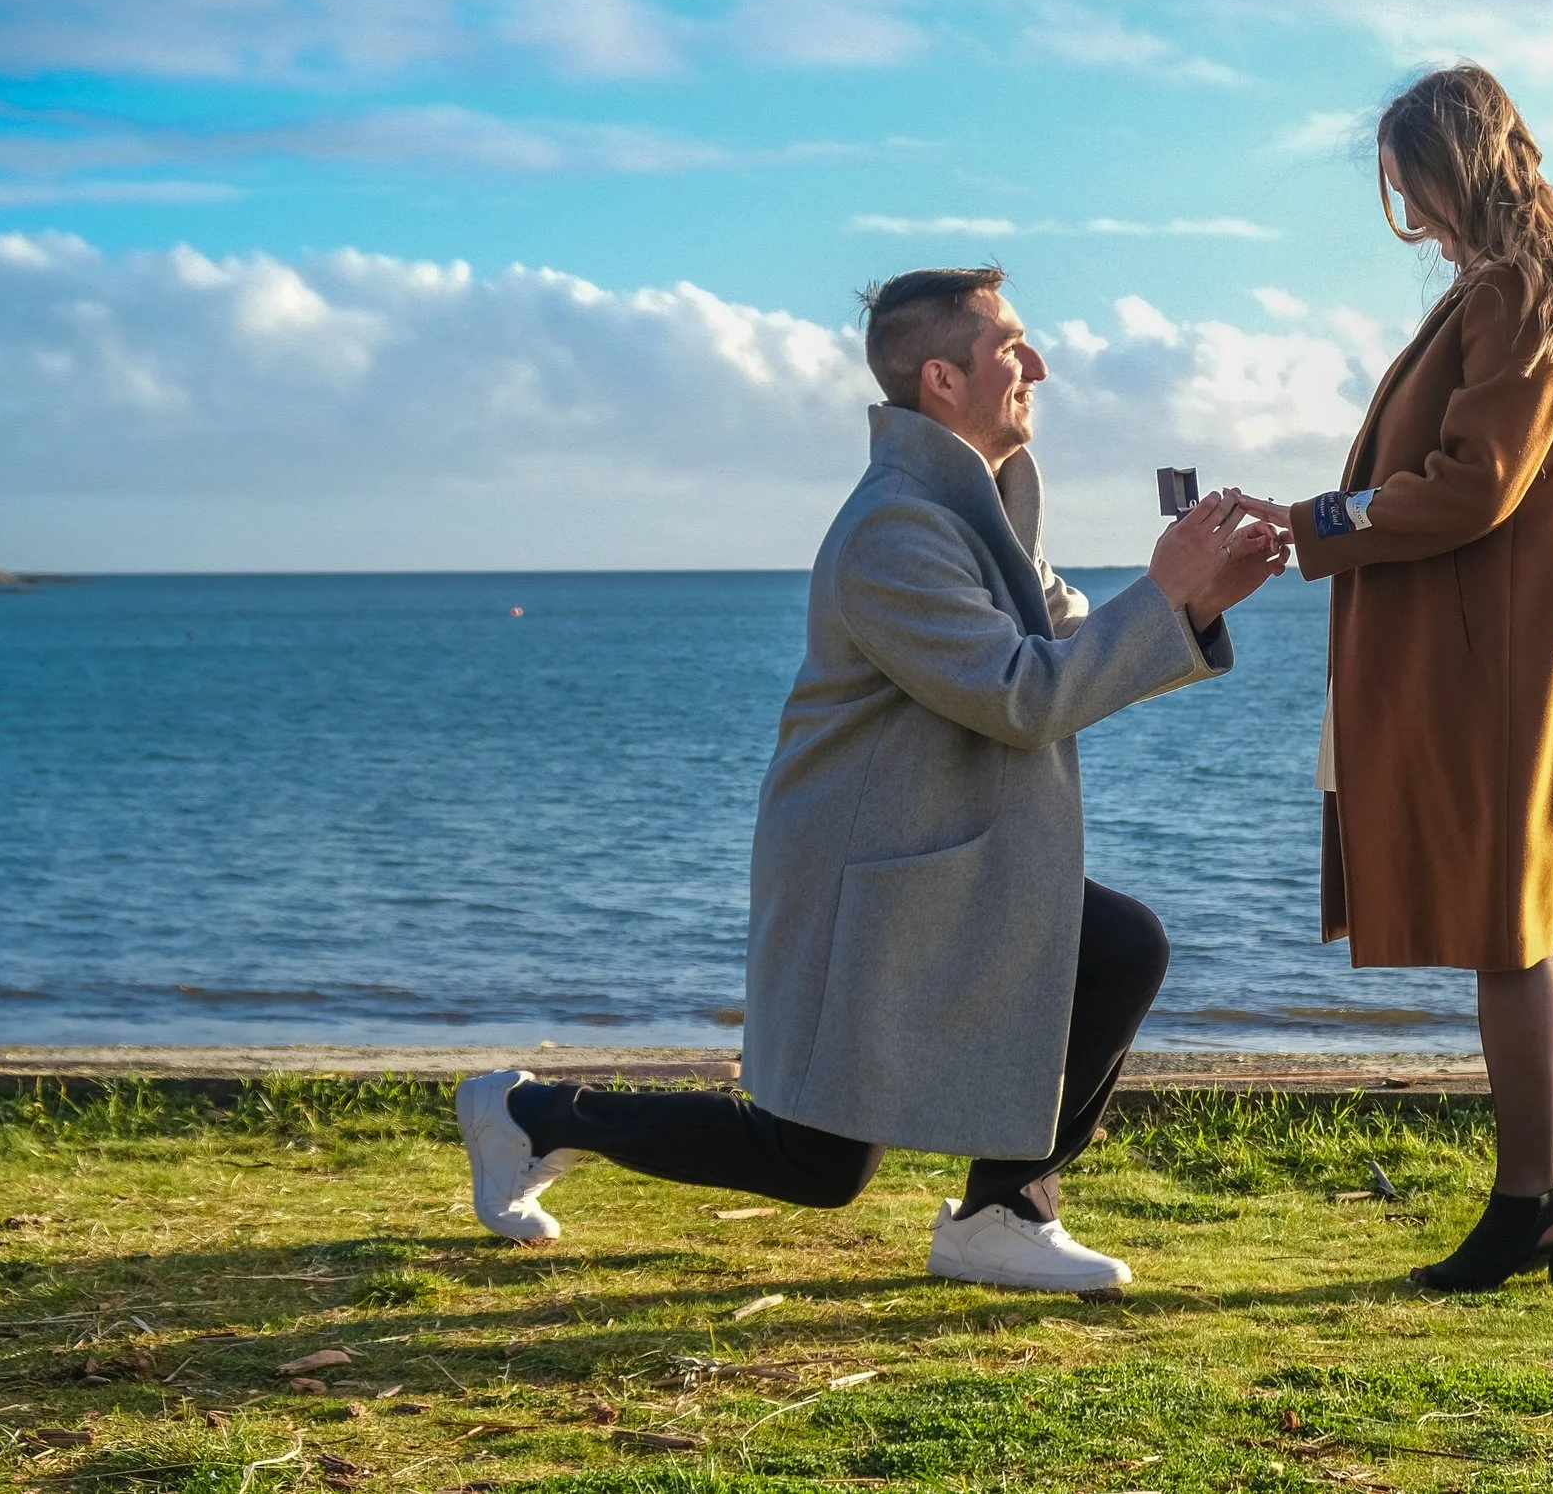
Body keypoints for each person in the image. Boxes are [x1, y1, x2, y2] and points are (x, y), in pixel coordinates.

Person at [454, 265, 1291, 1293]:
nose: (1038, 364)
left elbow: (1069, 636)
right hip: (867, 875)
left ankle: (1004, 1212)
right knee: (814, 1163)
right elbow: (1021, 693)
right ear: (942, 378)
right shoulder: (896, 528)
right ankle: (528, 1112)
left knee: (1118, 945)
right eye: (1010, 346)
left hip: (939, 860)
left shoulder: (971, 509)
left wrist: (1193, 598)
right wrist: (1164, 596)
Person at [1242, 65, 1553, 1290]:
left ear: (1450, 172)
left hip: (1482, 654)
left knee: (1504, 931)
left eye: (1411, 187)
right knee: (1525, 921)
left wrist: (1313, 521)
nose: (1409, 215)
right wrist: (1320, 519)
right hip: (1508, 642)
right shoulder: (1543, 287)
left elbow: (1473, 483)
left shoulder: (1514, 291)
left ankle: (1525, 1204)